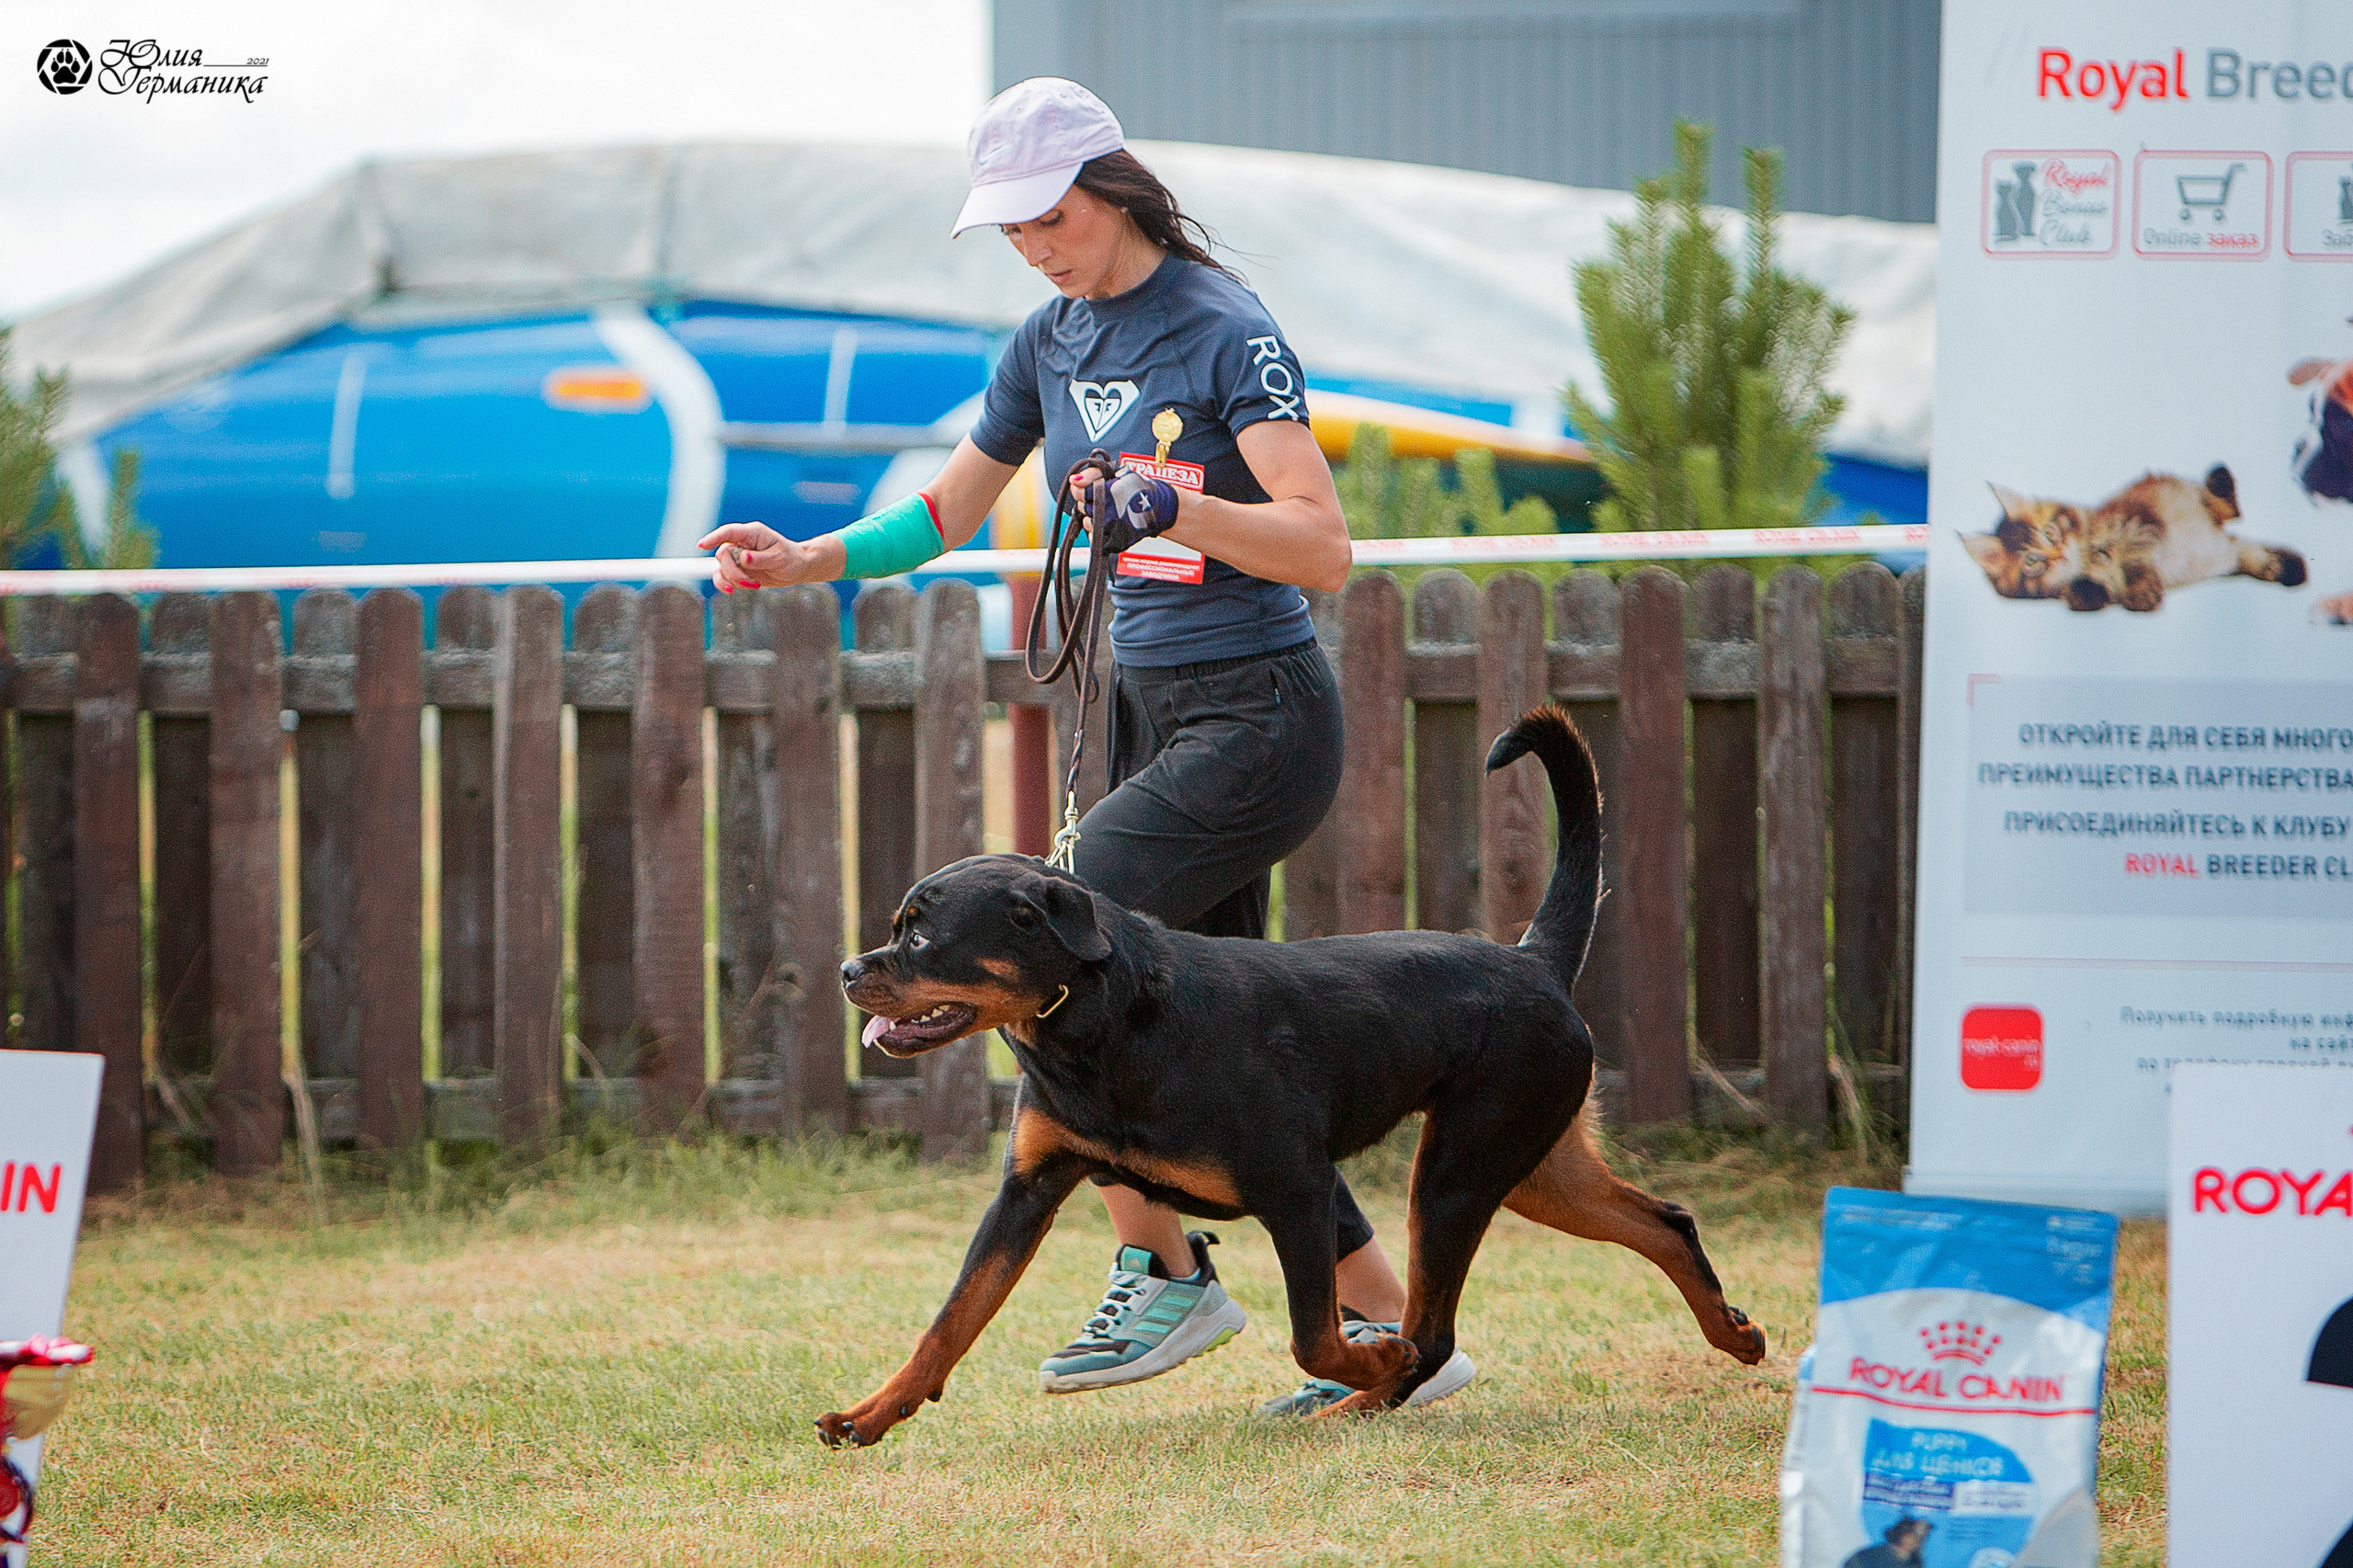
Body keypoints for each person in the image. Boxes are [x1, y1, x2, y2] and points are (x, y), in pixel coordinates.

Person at [699, 76, 1472, 1415]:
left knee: (1050, 947)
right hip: (1143, 711)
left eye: (1051, 218)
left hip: (1260, 714)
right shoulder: (1045, 341)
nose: (1038, 248)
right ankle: (1410, 1341)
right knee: (1230, 1048)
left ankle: (1166, 1272)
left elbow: (1322, 546)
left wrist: (1178, 499)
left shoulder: (1227, 330)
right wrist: (806, 556)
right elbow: (950, 506)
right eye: (1011, 233)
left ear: (1112, 189)